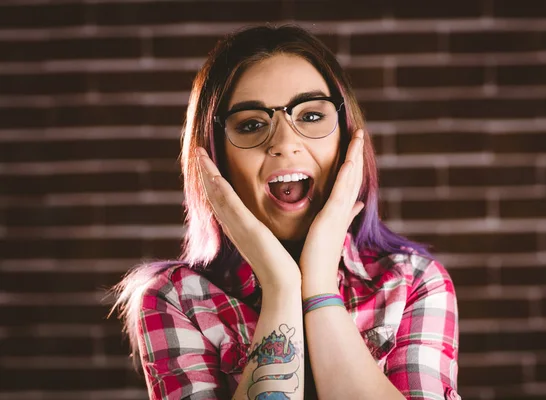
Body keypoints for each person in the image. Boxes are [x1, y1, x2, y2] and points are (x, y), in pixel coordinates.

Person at [111, 24, 460, 400]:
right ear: (215, 161)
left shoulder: (412, 283)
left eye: (310, 116)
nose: (285, 142)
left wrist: (320, 289)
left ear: (346, 139)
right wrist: (281, 288)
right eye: (251, 124)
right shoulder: (174, 299)